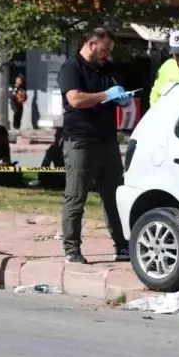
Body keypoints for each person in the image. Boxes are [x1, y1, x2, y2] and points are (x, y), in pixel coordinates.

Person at [57, 27, 131, 265]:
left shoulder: (107, 69)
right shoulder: (71, 67)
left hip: (107, 140)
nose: (107, 55)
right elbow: (76, 99)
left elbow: (118, 90)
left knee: (114, 196)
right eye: (105, 49)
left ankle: (122, 246)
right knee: (76, 196)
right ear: (91, 44)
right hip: (80, 139)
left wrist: (123, 97)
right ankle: (72, 249)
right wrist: (105, 95)